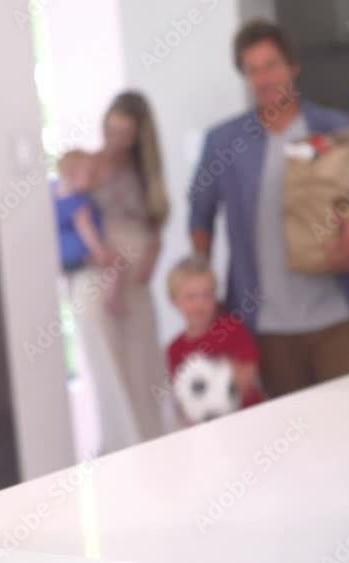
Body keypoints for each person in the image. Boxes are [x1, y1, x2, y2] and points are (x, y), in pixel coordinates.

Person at [189, 20, 349, 398]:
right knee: (291, 442)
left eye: (272, 65)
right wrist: (202, 289)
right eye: (252, 69)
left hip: (339, 320)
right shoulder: (224, 143)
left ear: (293, 67)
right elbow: (200, 216)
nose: (264, 78)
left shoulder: (336, 129)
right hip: (266, 329)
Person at [68, 91, 172, 454]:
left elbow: (155, 224)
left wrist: (151, 254)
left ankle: (153, 454)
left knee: (145, 369)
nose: (115, 140)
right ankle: (121, 454)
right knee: (112, 373)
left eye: (125, 132)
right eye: (111, 129)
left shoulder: (147, 175)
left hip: (136, 285)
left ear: (139, 135)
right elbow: (69, 214)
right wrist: (100, 254)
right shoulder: (87, 166)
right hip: (99, 280)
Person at [166, 256, 265, 422]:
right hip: (209, 428)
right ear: (174, 301)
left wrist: (220, 381)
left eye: (207, 295)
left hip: (250, 417)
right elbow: (184, 397)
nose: (200, 304)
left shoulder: (231, 327)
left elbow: (248, 372)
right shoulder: (174, 349)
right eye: (191, 297)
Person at [54, 150, 125, 313]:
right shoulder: (79, 203)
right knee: (117, 261)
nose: (94, 179)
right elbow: (87, 231)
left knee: (73, 285)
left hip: (63, 259)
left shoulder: (56, 198)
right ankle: (111, 299)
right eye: (90, 174)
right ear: (71, 174)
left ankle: (70, 294)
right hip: (82, 255)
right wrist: (101, 253)